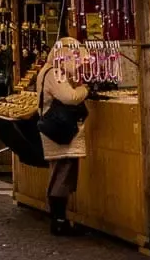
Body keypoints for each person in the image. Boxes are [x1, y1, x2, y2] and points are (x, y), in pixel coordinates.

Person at [39, 37, 90, 237]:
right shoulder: (56, 73)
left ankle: (58, 218)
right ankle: (59, 221)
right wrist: (85, 89)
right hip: (62, 131)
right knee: (63, 173)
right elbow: (69, 97)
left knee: (60, 172)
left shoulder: (47, 70)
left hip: (56, 129)